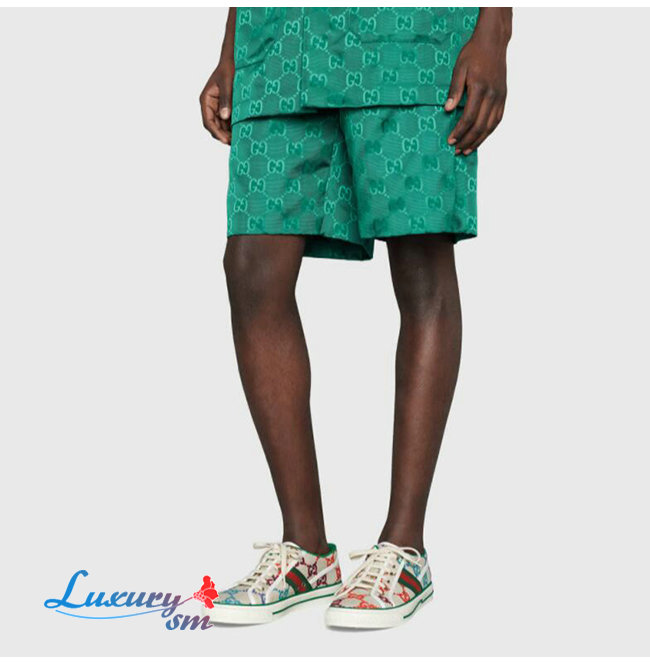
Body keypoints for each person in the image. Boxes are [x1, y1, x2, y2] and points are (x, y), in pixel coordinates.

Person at [199, 7, 511, 629]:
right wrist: (232, 43)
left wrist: (495, 29)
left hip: (409, 38)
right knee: (252, 266)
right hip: (282, 38)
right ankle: (306, 550)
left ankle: (404, 547)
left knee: (421, 260)